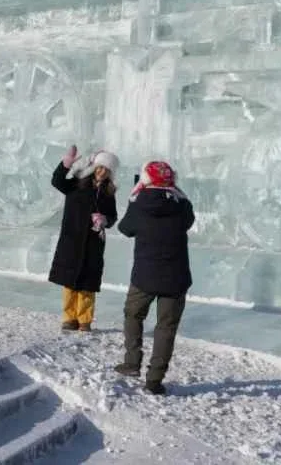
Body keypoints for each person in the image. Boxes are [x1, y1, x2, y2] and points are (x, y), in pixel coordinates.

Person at [114, 160, 195, 395]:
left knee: (133, 314)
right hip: (175, 277)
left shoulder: (139, 204)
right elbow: (189, 221)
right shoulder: (182, 206)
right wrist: (178, 193)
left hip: (144, 277)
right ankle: (154, 381)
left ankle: (132, 362)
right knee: (166, 328)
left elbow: (125, 229)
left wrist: (133, 198)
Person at [48, 146, 119, 332]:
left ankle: (85, 320)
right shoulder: (76, 184)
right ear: (94, 167)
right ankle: (69, 318)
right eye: (100, 167)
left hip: (93, 243)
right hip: (71, 240)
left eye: (106, 170)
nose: (102, 172)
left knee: (87, 285)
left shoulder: (108, 193)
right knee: (69, 283)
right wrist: (65, 165)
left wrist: (105, 220)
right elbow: (57, 181)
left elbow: (112, 216)